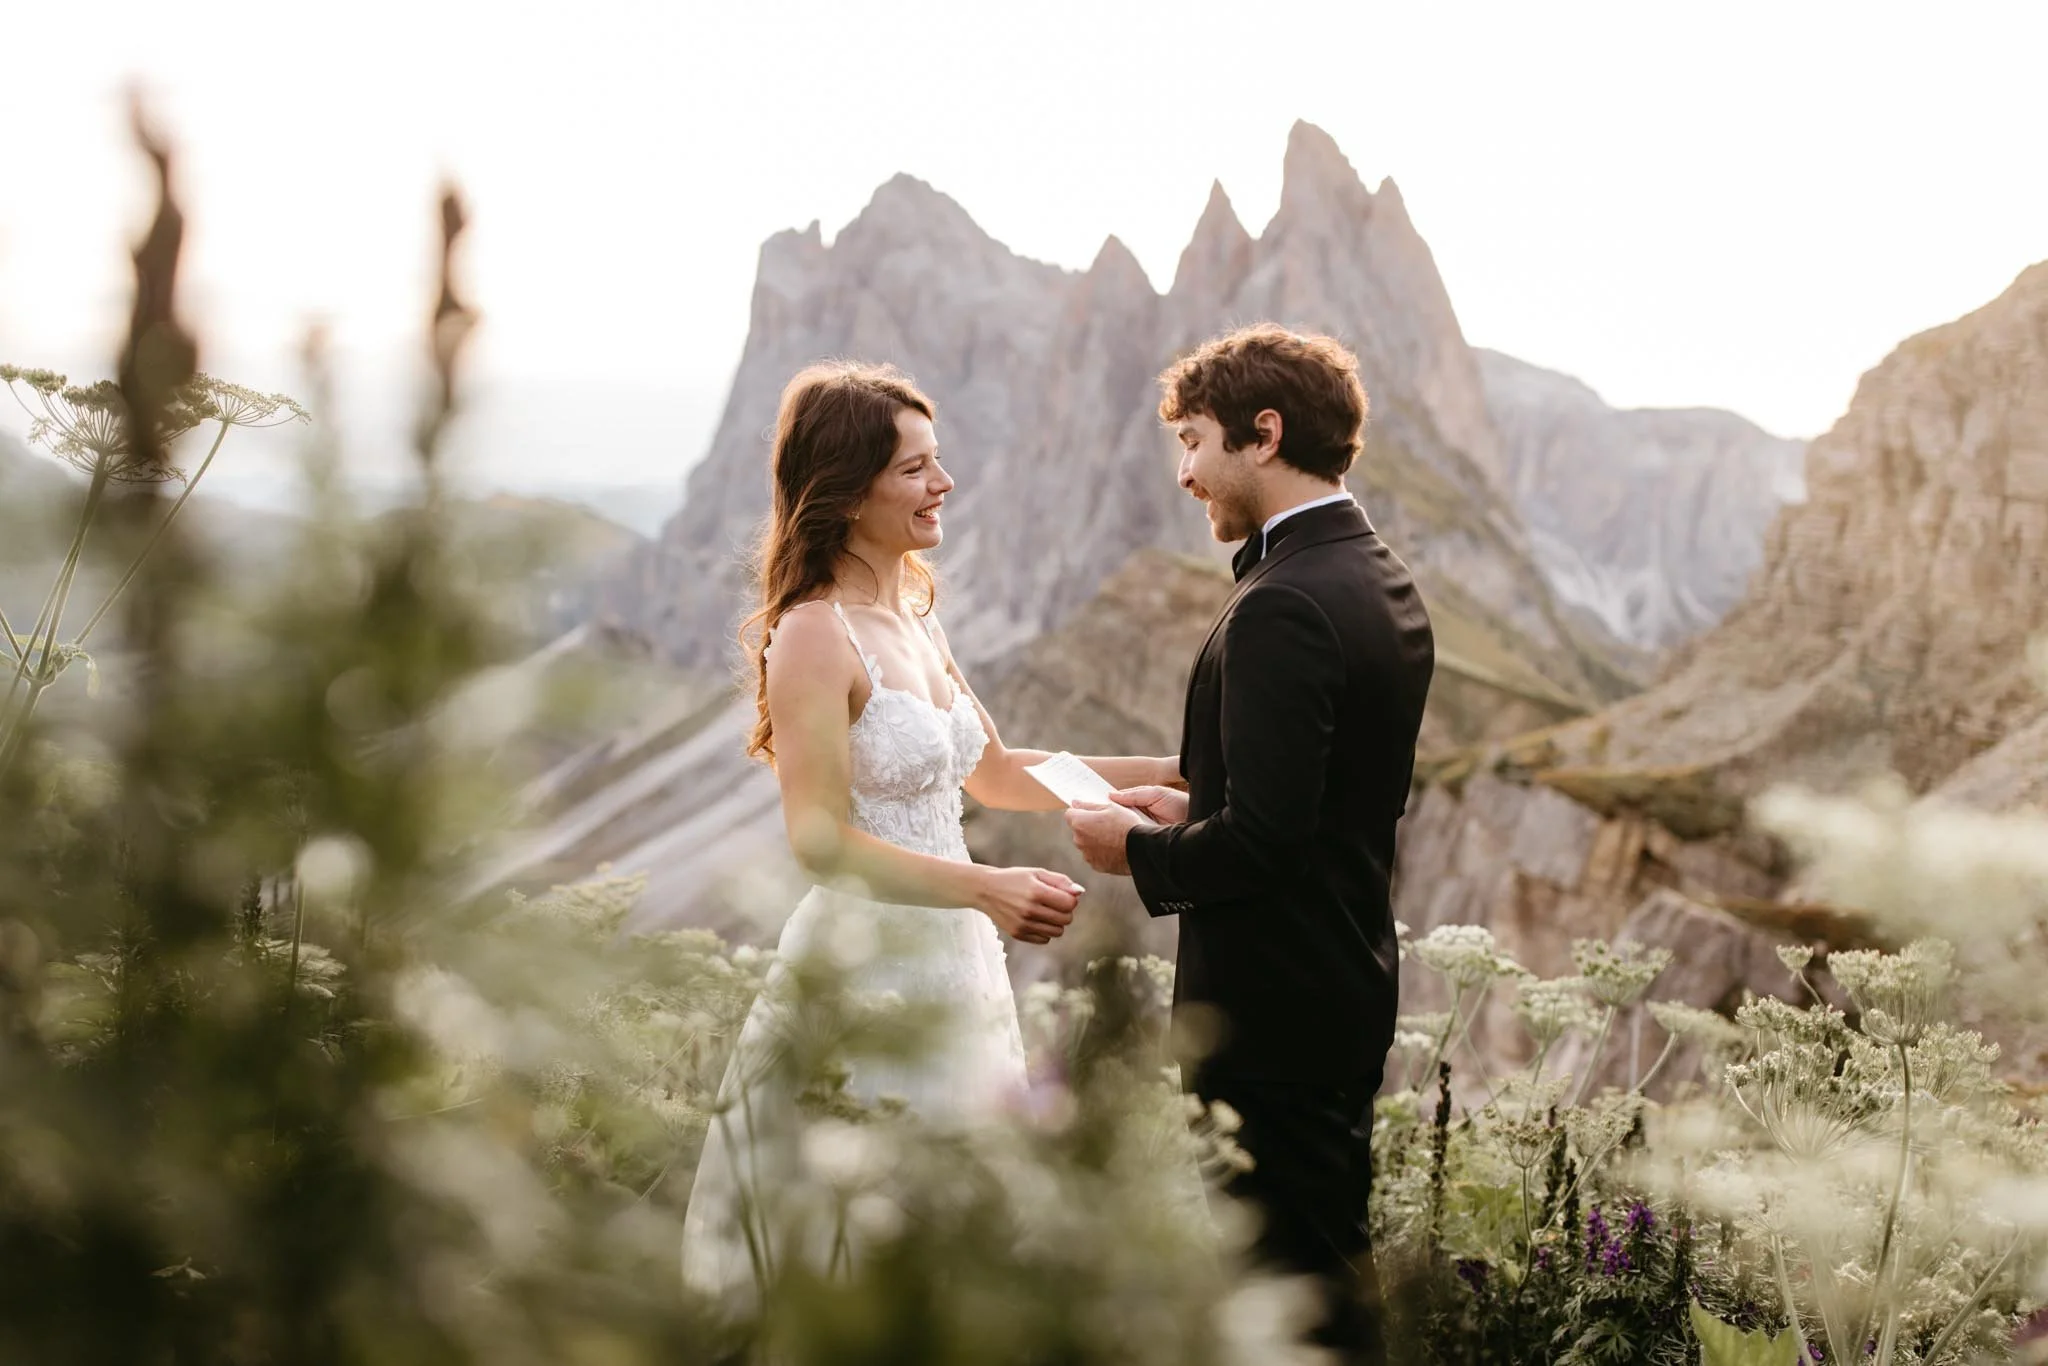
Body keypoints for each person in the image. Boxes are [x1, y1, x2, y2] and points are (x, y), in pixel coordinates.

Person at [680, 360, 1178, 1297]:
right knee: (866, 1225)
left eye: (936, 461)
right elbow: (821, 844)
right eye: (914, 469)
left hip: (958, 966)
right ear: (844, 488)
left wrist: (1164, 771)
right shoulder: (816, 634)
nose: (942, 484)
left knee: (962, 1218)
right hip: (866, 970)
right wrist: (986, 890)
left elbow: (995, 772)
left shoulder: (915, 618)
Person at [1066, 324, 1435, 1363]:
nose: (1183, 472)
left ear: (1262, 433)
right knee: (1319, 1276)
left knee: (1298, 1298)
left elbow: (1266, 846)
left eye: (1191, 441)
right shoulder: (1373, 575)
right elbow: (1318, 802)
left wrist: (1131, 851)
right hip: (1338, 985)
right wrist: (1195, 807)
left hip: (1272, 1014)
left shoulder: (1284, 603)